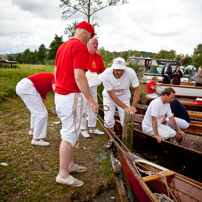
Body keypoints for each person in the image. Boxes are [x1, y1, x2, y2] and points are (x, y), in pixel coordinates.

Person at [54, 21, 99, 187]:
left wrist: (58, 87)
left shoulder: (63, 47)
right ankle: (63, 174)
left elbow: (56, 71)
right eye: (91, 37)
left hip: (62, 94)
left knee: (71, 132)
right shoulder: (80, 47)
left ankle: (70, 165)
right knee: (69, 134)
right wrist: (92, 101)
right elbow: (79, 76)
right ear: (89, 35)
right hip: (71, 96)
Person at [101, 57, 140, 148]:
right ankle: (111, 139)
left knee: (126, 121)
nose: (119, 72)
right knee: (108, 120)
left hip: (124, 97)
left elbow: (137, 90)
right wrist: (126, 107)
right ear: (113, 68)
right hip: (109, 98)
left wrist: (133, 106)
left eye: (122, 70)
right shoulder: (105, 75)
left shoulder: (130, 72)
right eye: (117, 70)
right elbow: (112, 96)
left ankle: (126, 142)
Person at [16, 72, 56, 146]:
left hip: (22, 86)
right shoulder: (54, 77)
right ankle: (36, 139)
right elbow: (56, 89)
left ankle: (32, 130)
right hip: (27, 86)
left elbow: (42, 106)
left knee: (36, 110)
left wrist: (52, 114)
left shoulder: (44, 90)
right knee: (41, 114)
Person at [81, 37, 105, 138]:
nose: (95, 45)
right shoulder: (83, 55)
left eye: (97, 43)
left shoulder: (99, 57)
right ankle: (83, 128)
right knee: (83, 106)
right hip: (84, 84)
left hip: (94, 85)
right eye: (94, 43)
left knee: (94, 106)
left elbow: (103, 71)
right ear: (89, 45)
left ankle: (93, 127)